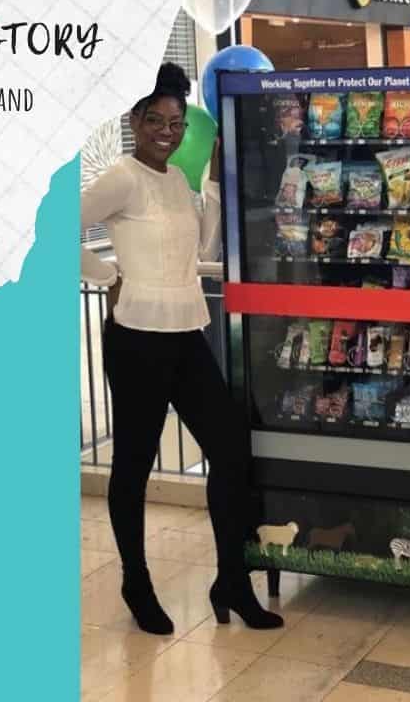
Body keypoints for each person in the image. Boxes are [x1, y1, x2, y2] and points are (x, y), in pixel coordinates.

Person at [80, 63, 283, 634]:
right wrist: (103, 275)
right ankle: (135, 580)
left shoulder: (175, 179)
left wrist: (213, 180)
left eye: (175, 121)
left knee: (231, 450)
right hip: (137, 337)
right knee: (134, 465)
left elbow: (207, 244)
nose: (167, 130)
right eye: (155, 120)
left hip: (185, 331)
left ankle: (232, 581)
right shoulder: (121, 177)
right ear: (135, 121)